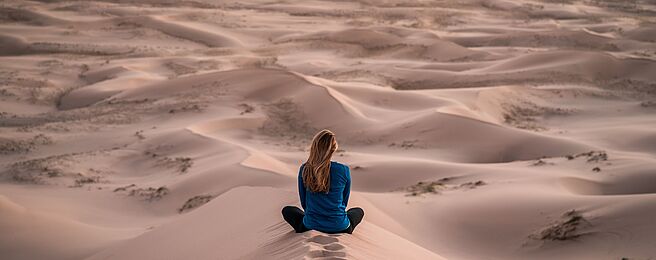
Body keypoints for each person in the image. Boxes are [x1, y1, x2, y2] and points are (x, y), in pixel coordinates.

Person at [281, 129, 364, 234]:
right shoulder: (343, 170)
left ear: (314, 147)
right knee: (358, 211)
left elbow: (304, 203)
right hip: (340, 226)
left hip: (310, 225)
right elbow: (344, 201)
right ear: (333, 148)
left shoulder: (305, 169)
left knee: (288, 210)